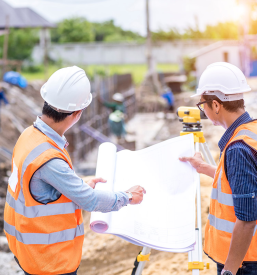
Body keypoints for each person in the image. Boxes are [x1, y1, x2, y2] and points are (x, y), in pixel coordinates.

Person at [4, 66, 146, 275]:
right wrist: (127, 197)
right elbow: (89, 200)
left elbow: (39, 189)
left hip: (25, 248)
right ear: (78, 113)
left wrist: (74, 185)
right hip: (49, 261)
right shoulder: (50, 159)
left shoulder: (29, 136)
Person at [180, 62, 257, 275]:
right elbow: (243, 182)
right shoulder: (251, 132)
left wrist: (229, 272)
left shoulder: (238, 148)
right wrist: (204, 167)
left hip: (244, 262)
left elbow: (247, 220)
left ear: (215, 105)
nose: (202, 110)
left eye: (202, 103)